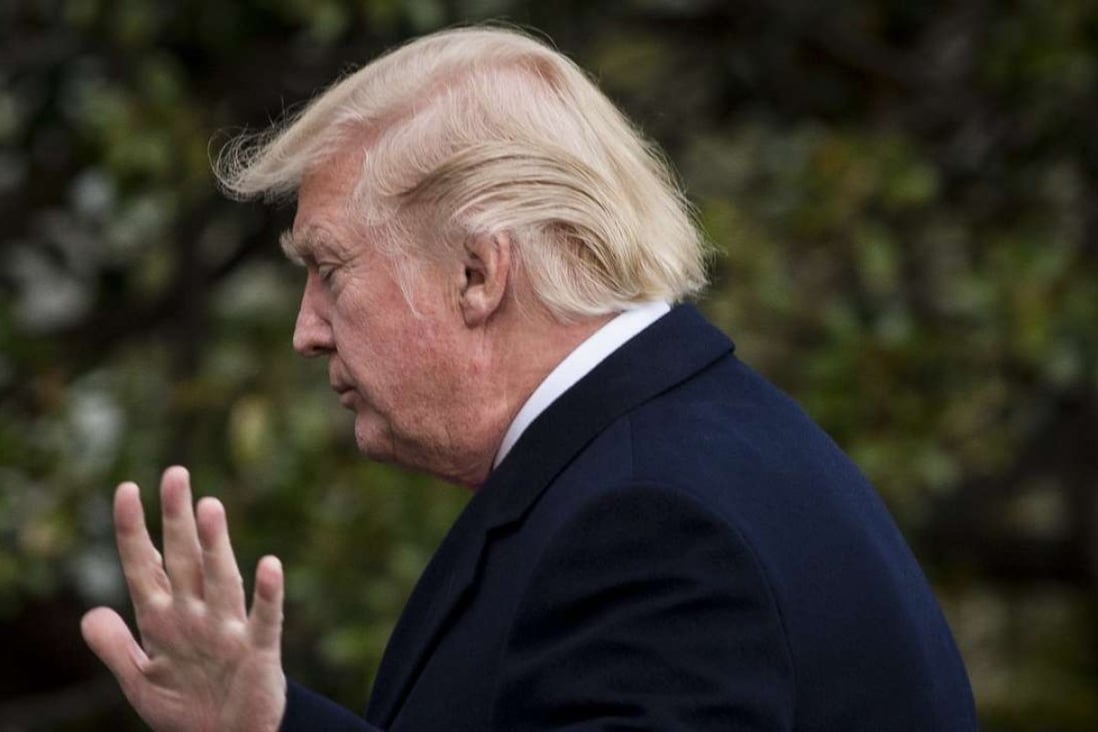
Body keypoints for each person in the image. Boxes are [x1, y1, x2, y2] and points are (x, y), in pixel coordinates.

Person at [80, 26, 979, 731]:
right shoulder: (664, 452)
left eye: (330, 268)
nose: (306, 331)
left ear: (479, 273)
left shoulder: (654, 520)